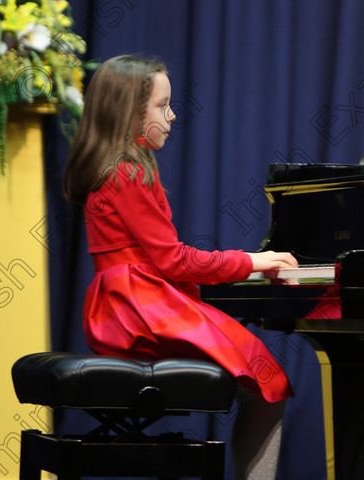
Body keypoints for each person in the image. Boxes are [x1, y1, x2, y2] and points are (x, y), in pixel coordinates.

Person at [63, 54, 297, 480]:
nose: (172, 115)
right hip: (141, 311)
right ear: (129, 112)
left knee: (262, 377)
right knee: (267, 379)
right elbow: (173, 259)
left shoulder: (116, 169)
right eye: (162, 105)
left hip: (125, 308)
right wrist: (252, 262)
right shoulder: (128, 173)